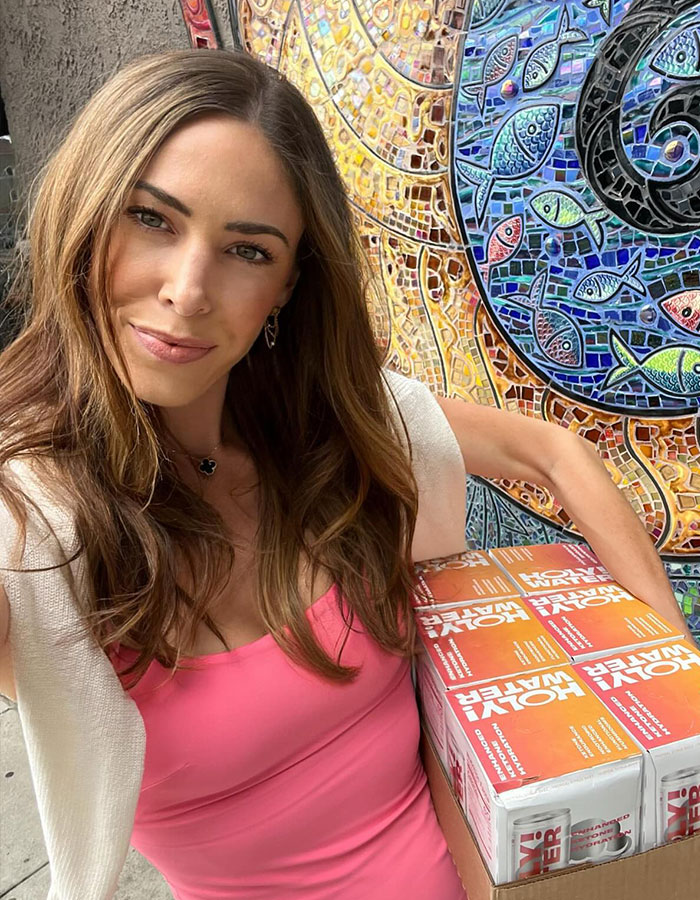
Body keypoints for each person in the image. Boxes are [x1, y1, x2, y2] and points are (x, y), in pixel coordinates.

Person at [0, 49, 694, 900]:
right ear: (86, 211)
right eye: (152, 220)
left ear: (288, 286)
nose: (187, 290)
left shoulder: (334, 432)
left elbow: (549, 453)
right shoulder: (32, 538)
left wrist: (673, 687)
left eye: (247, 251)